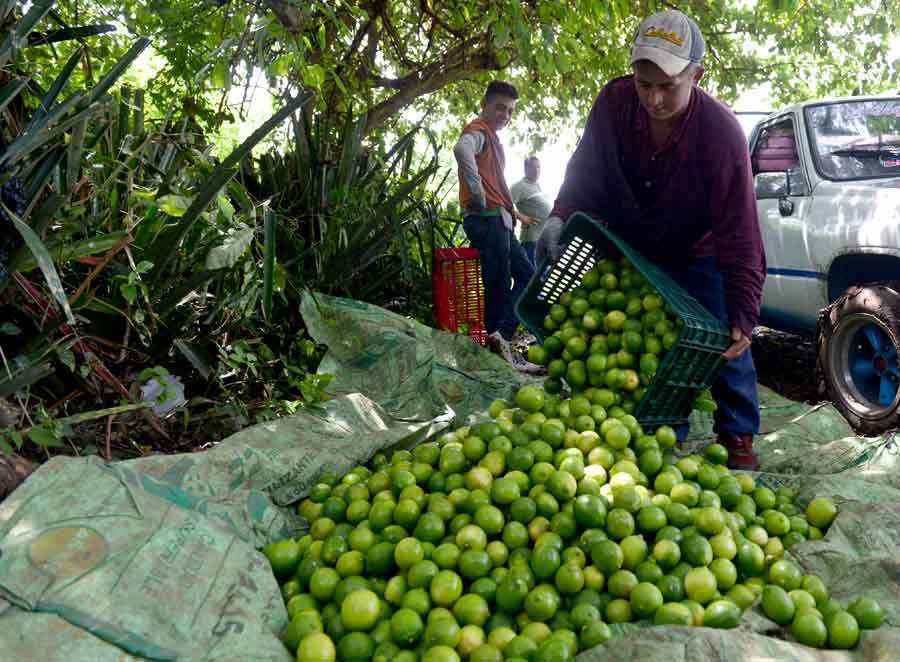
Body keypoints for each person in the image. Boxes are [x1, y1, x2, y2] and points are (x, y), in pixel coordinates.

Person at [536, 10, 766, 469]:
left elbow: (739, 227)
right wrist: (559, 215)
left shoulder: (721, 132)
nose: (654, 98)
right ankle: (658, 433)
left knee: (724, 336)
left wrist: (745, 309)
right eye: (644, 84)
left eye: (668, 86)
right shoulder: (614, 103)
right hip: (633, 248)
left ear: (696, 75)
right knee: (642, 343)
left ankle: (738, 435)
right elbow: (585, 170)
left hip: (696, 251)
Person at [453, 80, 542, 373]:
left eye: (510, 111)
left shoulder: (491, 137)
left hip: (499, 220)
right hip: (488, 220)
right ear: (485, 105)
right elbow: (461, 149)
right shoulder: (478, 130)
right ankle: (497, 354)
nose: (505, 115)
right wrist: (477, 193)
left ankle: (500, 338)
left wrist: (511, 212)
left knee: (528, 276)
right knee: (498, 286)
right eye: (500, 107)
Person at [511, 156, 552, 265]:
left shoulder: (537, 185)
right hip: (531, 240)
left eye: (538, 167)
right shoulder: (519, 186)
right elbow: (503, 204)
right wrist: (522, 217)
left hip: (543, 239)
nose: (536, 170)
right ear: (525, 169)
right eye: (532, 167)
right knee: (532, 273)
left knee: (544, 272)